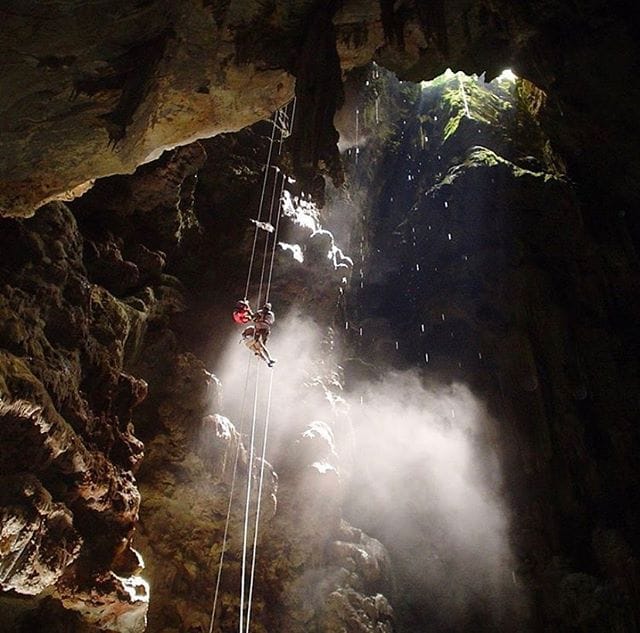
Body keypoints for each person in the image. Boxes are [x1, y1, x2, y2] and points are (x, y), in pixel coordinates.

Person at [252, 302, 276, 367]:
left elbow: (271, 322)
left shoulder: (269, 314)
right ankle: (258, 349)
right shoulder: (261, 312)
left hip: (263, 328)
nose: (265, 310)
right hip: (260, 327)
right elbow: (253, 317)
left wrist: (263, 320)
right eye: (265, 308)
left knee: (263, 340)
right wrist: (257, 318)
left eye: (266, 309)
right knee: (259, 341)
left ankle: (260, 349)